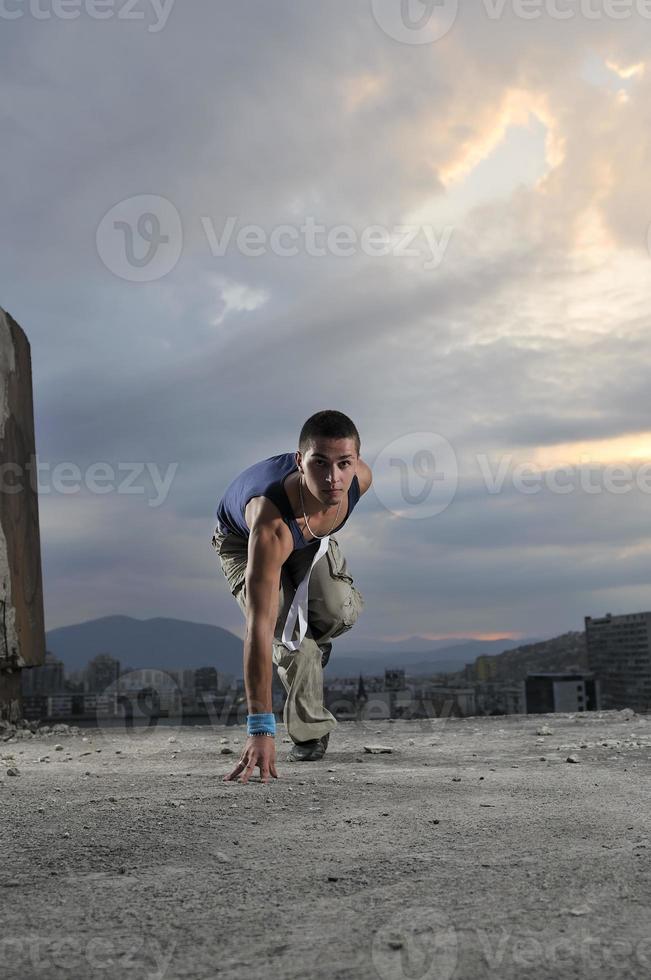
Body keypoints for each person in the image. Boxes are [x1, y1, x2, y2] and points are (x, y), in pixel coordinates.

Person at [211, 410, 372, 784]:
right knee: (291, 641)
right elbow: (257, 628)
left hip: (309, 538)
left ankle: (314, 639)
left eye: (343, 463)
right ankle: (310, 731)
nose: (333, 477)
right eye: (319, 464)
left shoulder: (359, 481)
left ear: (357, 462)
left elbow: (337, 489)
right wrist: (260, 730)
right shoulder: (268, 523)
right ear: (301, 462)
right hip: (248, 543)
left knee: (336, 611)